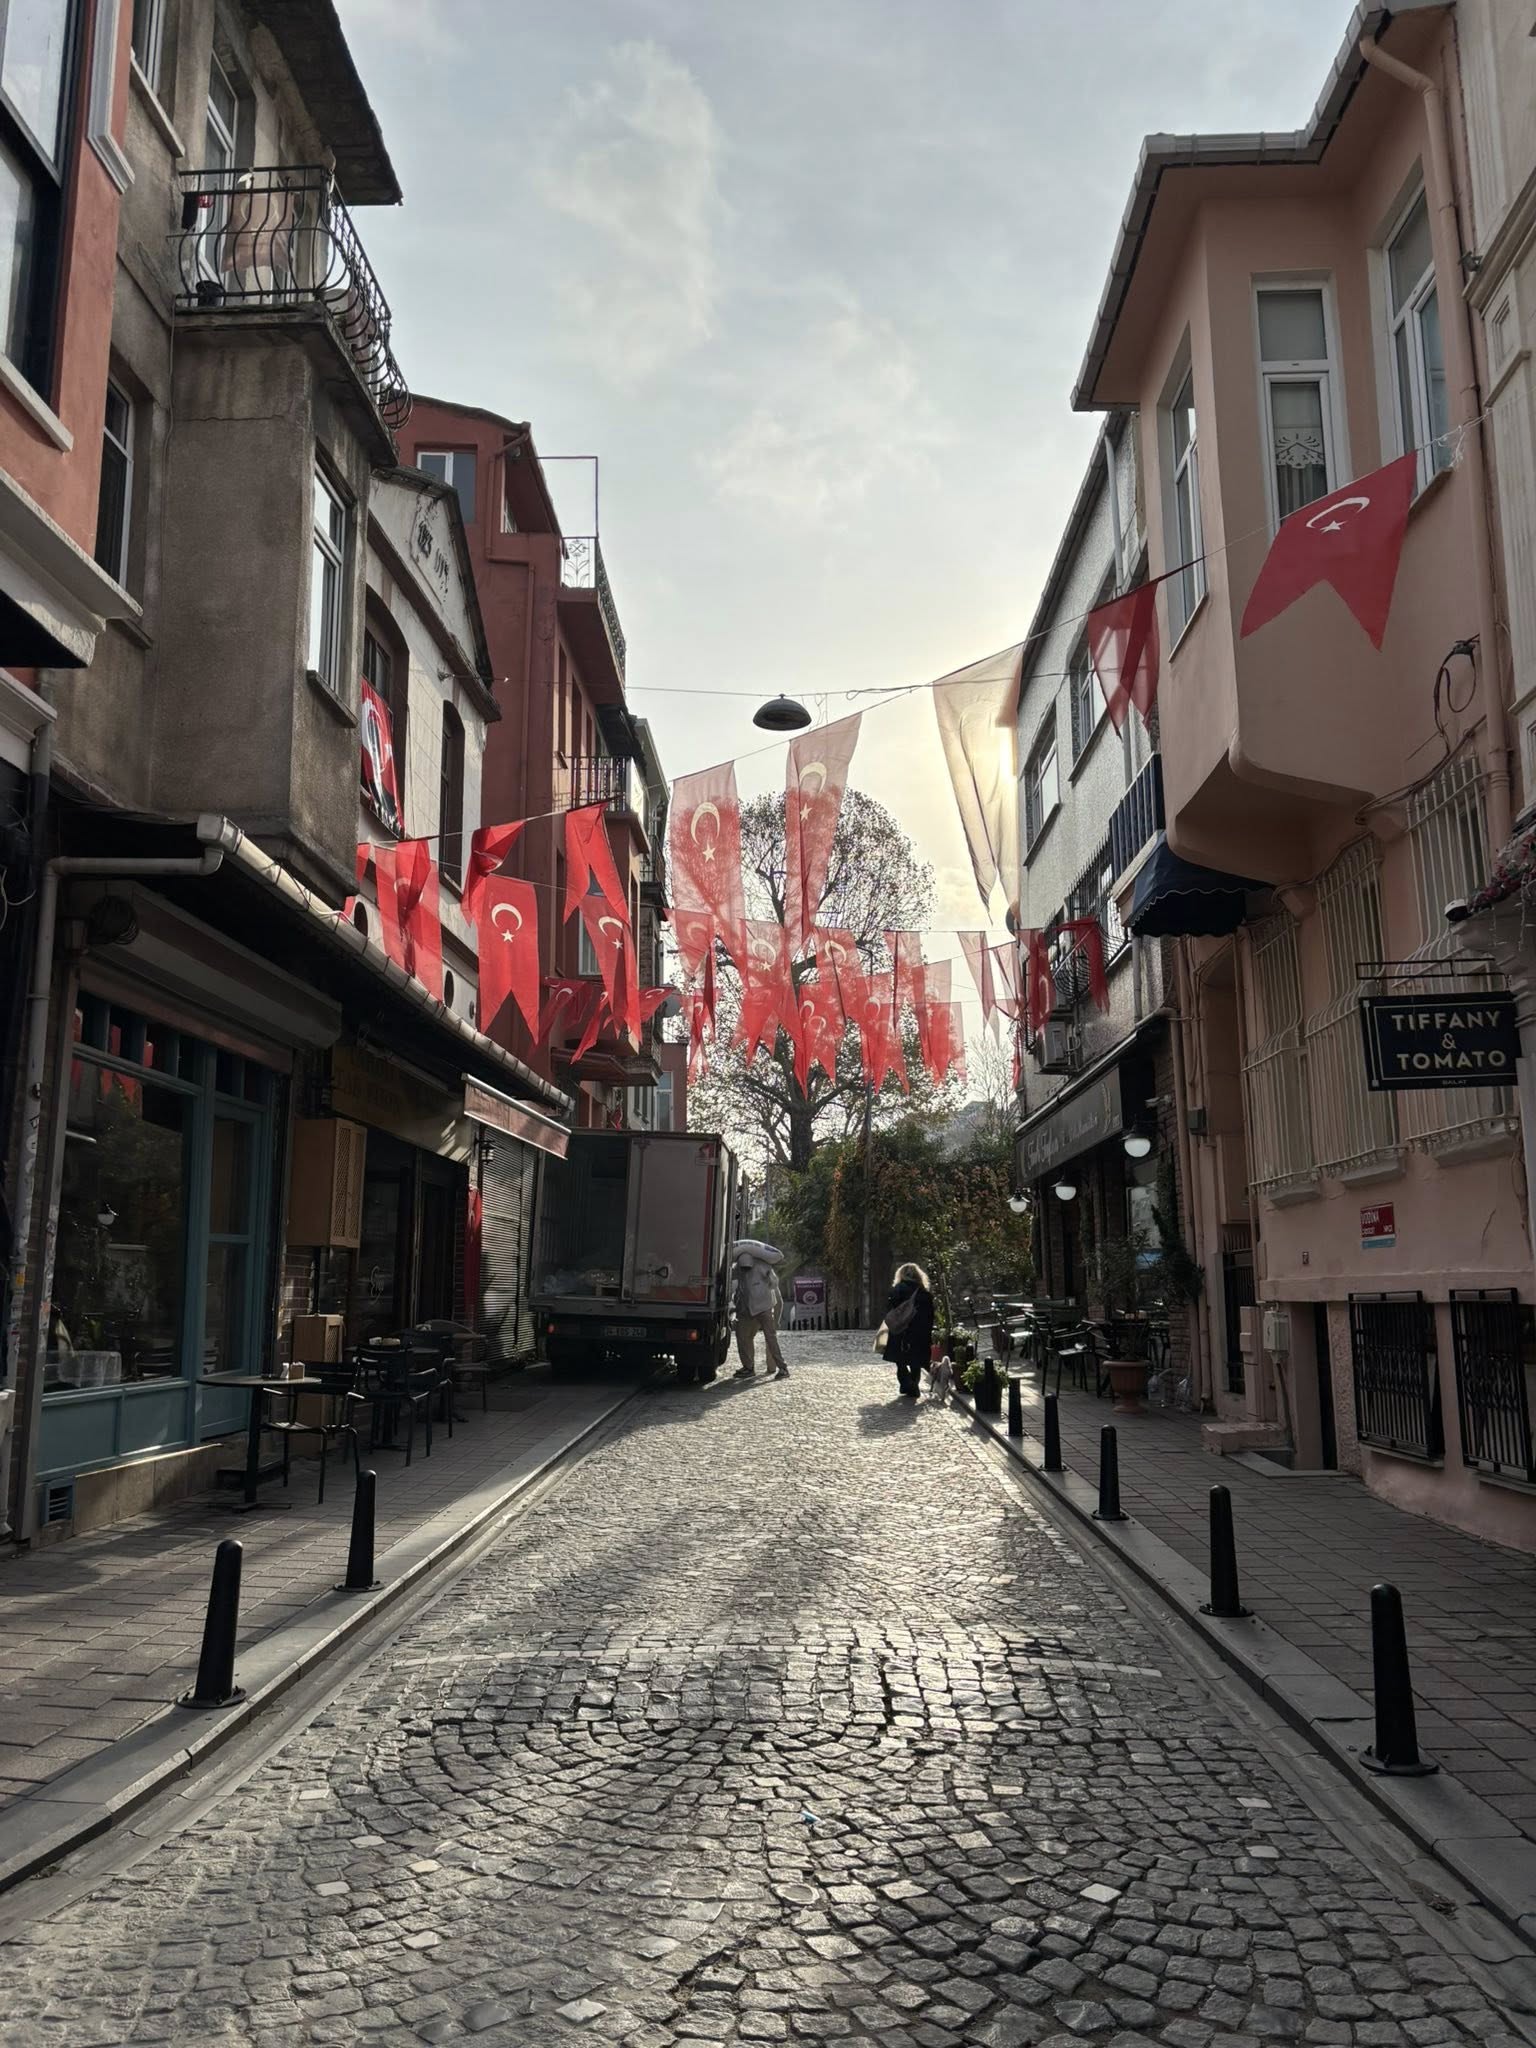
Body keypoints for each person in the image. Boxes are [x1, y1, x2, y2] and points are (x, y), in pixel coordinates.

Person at [732, 1239, 789, 1380]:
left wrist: (767, 1284)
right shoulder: (738, 1268)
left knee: (769, 1338)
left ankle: (781, 1368)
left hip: (764, 1308)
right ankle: (749, 1367)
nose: (746, 1270)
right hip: (749, 1309)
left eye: (747, 1267)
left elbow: (773, 1282)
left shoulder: (761, 1265)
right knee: (743, 1336)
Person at [883, 1262, 935, 1399]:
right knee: (915, 1360)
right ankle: (913, 1384)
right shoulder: (924, 1292)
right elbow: (930, 1315)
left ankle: (906, 1383)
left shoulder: (897, 1290)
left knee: (900, 1360)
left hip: (901, 1329)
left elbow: (890, 1310)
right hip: (919, 1331)